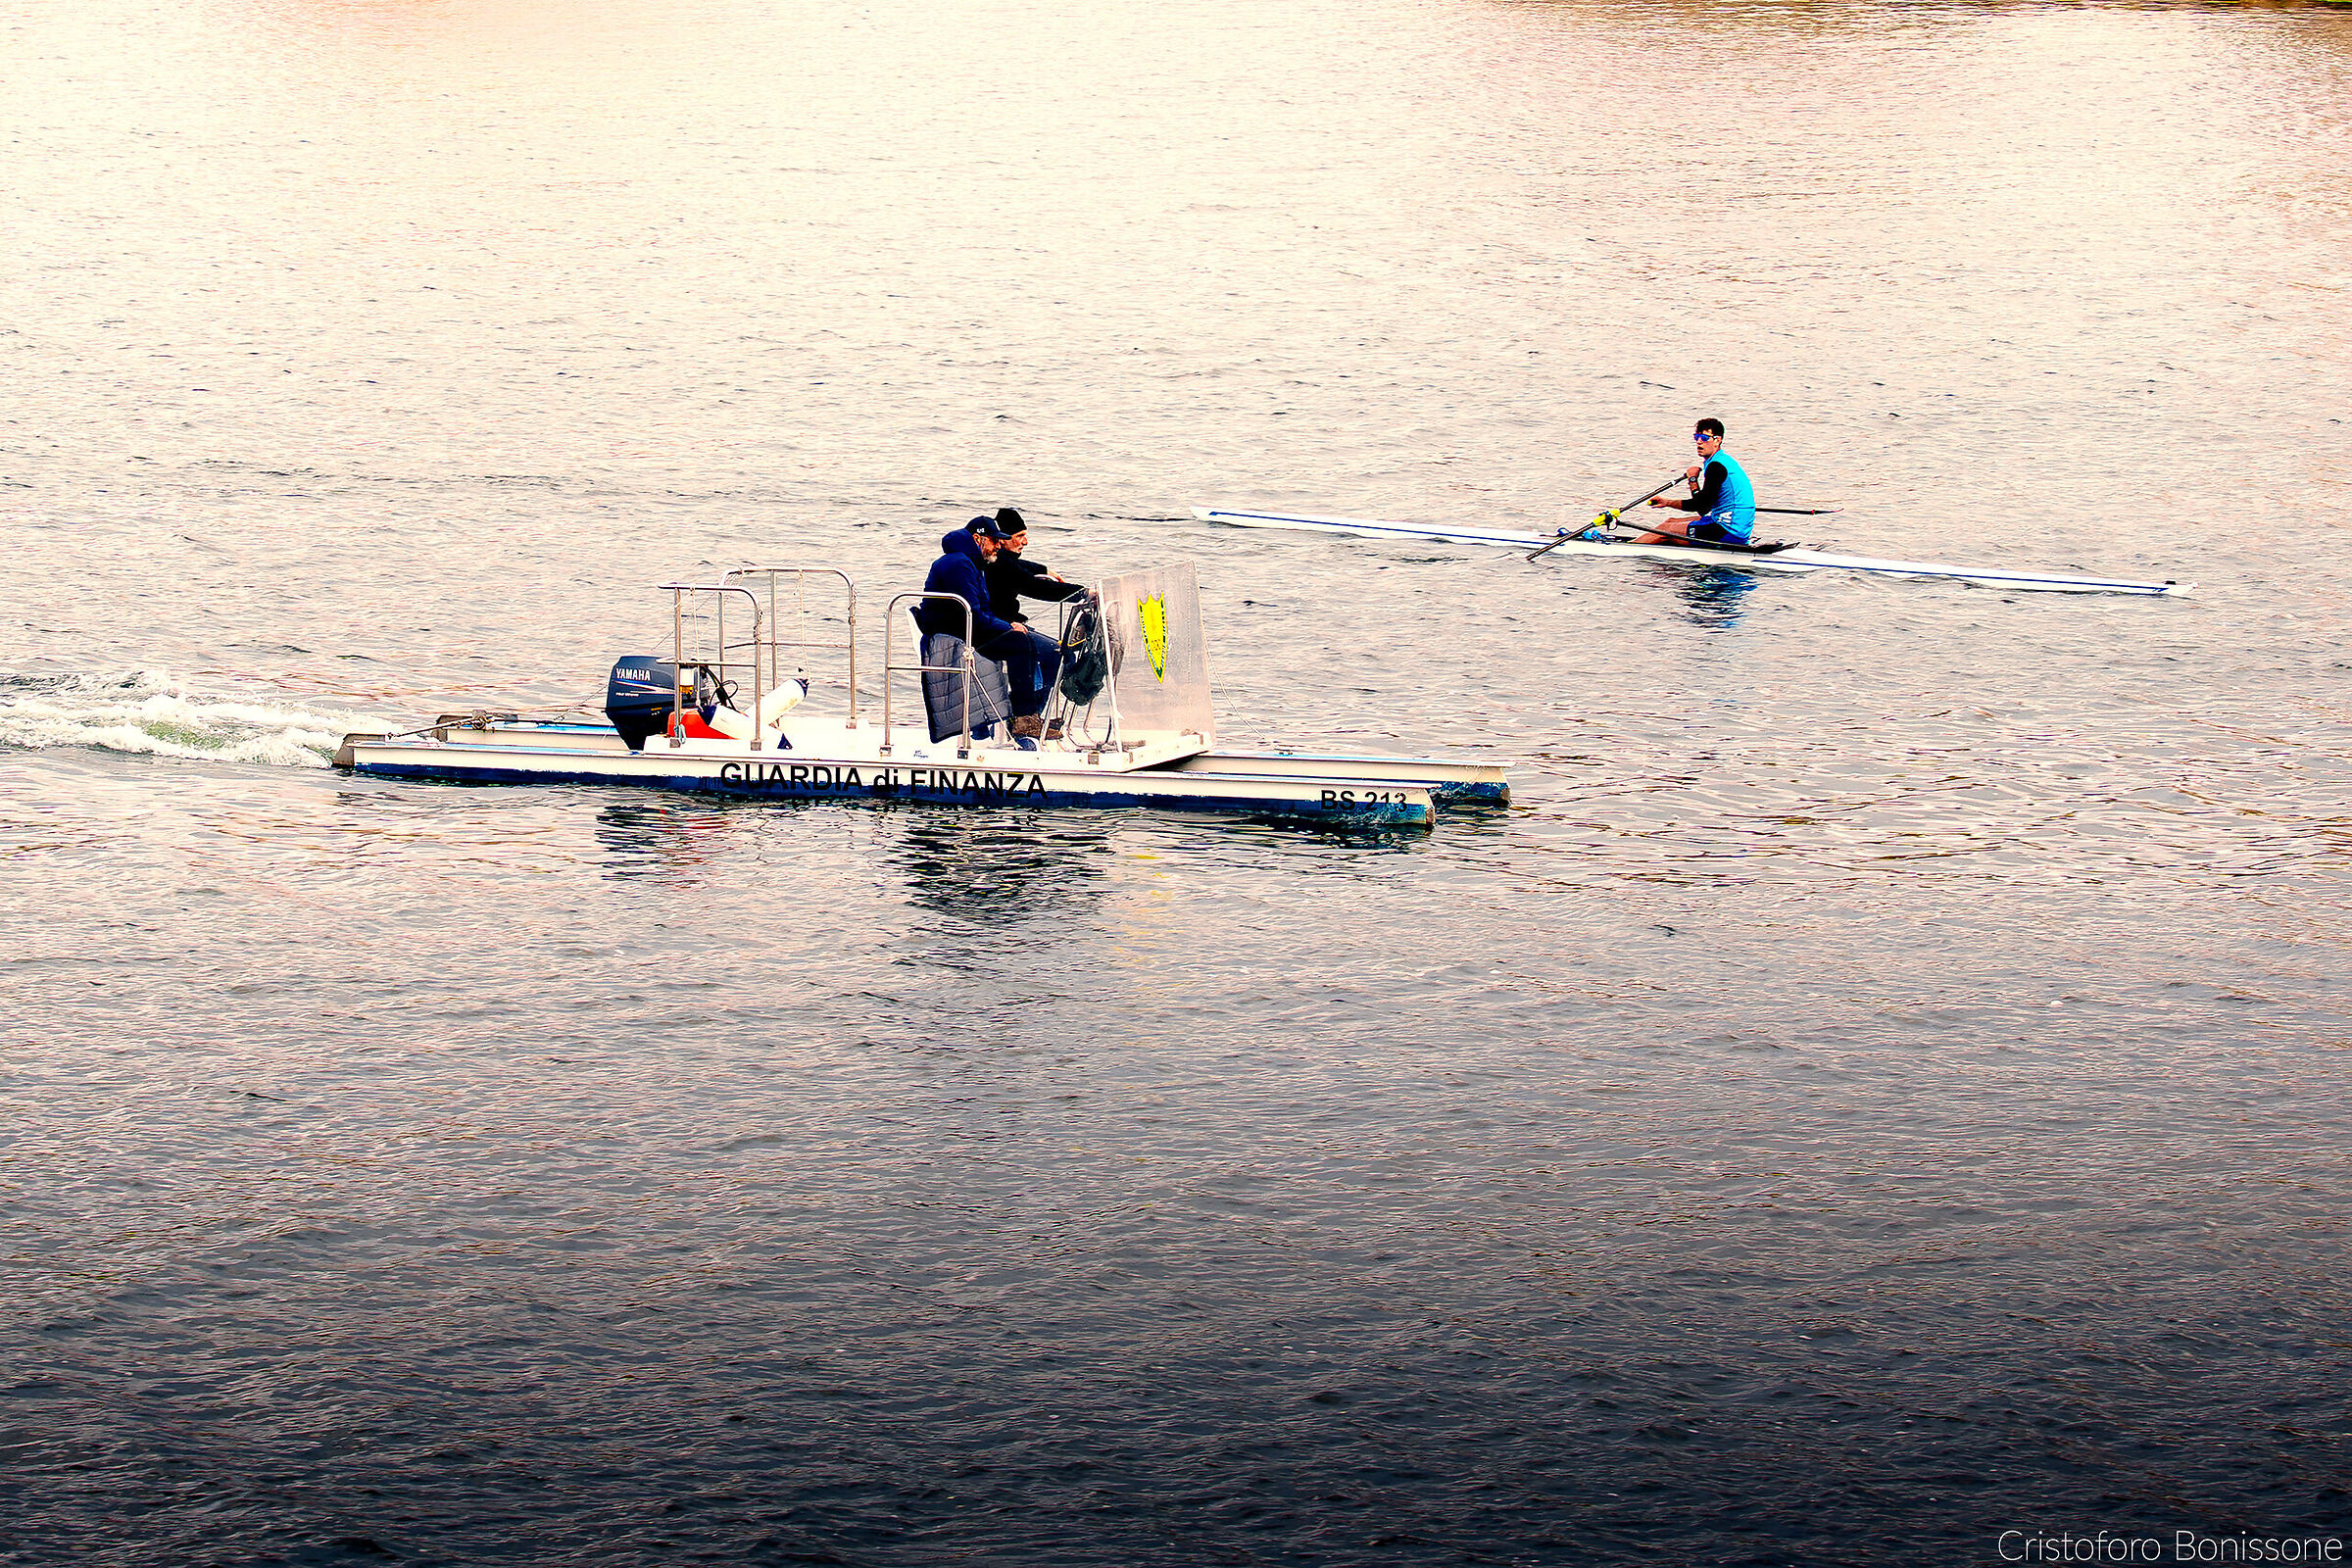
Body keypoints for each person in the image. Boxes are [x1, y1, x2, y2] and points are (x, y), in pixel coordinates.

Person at [913, 516, 1058, 746]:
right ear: (977, 539)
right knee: (1021, 644)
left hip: (961, 627)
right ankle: (1023, 718)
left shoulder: (968, 561)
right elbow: (972, 611)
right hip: (954, 634)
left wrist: (1004, 625)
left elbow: (978, 609)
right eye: (994, 541)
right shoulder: (959, 564)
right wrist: (1006, 626)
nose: (997, 546)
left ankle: (1022, 716)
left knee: (1023, 641)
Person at [983, 507, 1086, 724]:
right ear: (1002, 540)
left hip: (1004, 623)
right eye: (1019, 536)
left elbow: (1019, 566)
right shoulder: (999, 565)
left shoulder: (1000, 560)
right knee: (1059, 656)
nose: (1025, 541)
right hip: (998, 628)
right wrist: (1083, 593)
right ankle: (1025, 718)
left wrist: (1044, 568)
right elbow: (1035, 587)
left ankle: (1029, 715)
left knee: (1059, 654)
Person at [1632, 417, 1756, 547]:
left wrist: (1692, 480)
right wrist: (1667, 502)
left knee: (1665, 530)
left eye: (1704, 438)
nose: (1699, 442)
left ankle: (1628, 549)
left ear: (1717, 440)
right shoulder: (1724, 460)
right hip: (1733, 526)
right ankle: (1638, 544)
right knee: (1670, 521)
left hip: (1727, 532)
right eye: (1697, 437)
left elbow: (1702, 508)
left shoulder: (1716, 466)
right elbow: (1704, 504)